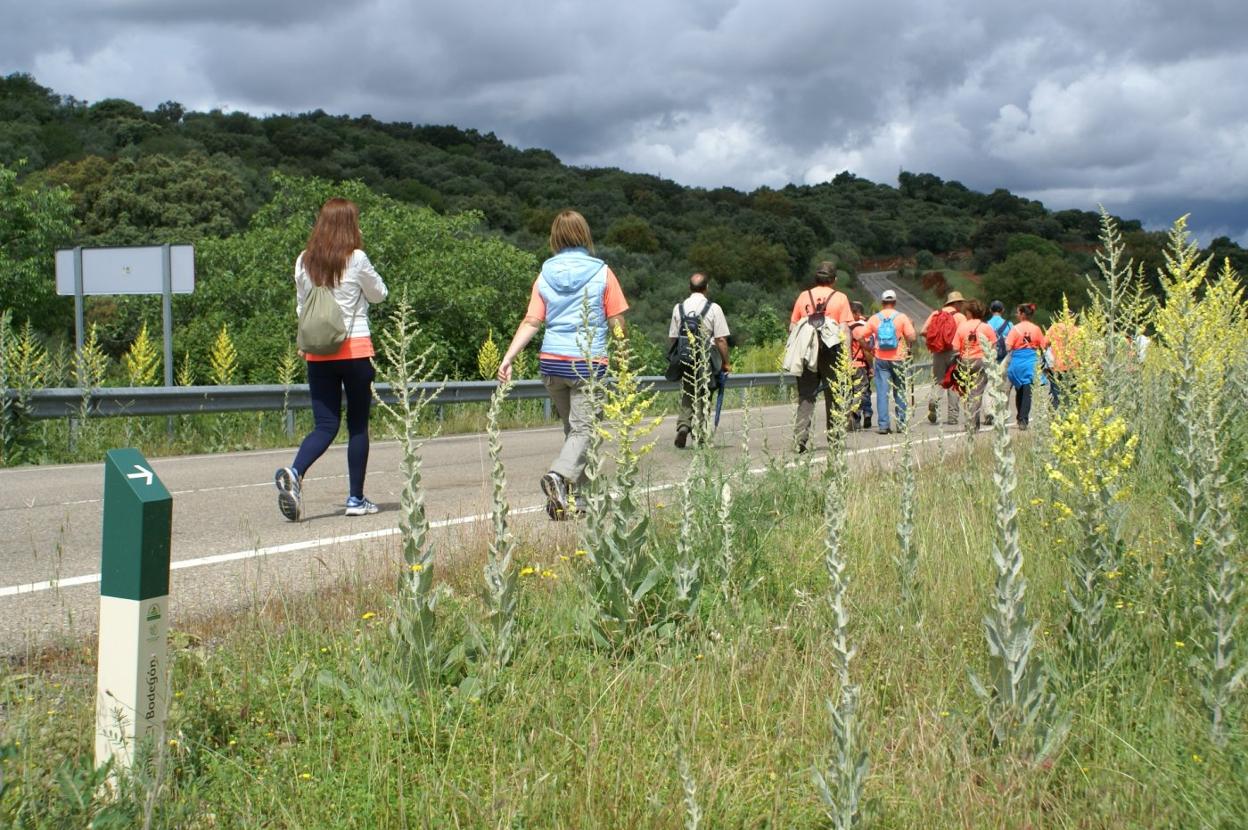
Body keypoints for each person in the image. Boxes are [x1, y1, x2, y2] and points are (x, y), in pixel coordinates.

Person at [497, 210, 628, 520]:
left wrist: (508, 356)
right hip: (587, 363)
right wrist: (623, 356)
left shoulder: (545, 274)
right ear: (584, 235)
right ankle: (558, 476)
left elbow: (532, 320)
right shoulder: (602, 272)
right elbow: (616, 320)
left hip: (552, 364)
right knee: (585, 431)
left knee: (574, 432)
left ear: (555, 237)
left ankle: (575, 501)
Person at [275, 197, 389, 521]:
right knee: (357, 426)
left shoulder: (303, 261)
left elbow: (301, 306)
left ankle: (295, 472)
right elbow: (380, 294)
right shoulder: (356, 258)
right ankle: (355, 498)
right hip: (354, 351)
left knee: (325, 424)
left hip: (318, 353)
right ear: (351, 224)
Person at [788, 259, 853, 452]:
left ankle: (800, 440)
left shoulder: (803, 296)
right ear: (834, 279)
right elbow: (845, 330)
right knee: (834, 394)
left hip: (808, 351)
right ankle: (835, 440)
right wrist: (846, 359)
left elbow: (793, 326)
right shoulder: (840, 298)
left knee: (806, 395)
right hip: (831, 351)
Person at [668, 272, 730, 448]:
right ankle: (701, 434)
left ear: (689, 288)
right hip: (706, 356)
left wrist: (676, 357)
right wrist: (726, 362)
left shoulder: (678, 308)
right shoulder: (714, 308)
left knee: (688, 392)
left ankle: (683, 426)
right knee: (705, 393)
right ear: (706, 288)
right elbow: (721, 339)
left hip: (684, 354)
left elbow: (673, 337)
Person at [861, 289, 917, 434]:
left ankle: (883, 425)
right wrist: (907, 345)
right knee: (900, 391)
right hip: (899, 358)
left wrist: (869, 347)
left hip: (880, 359)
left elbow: (861, 336)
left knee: (882, 392)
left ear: (882, 302)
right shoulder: (902, 317)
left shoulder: (874, 318)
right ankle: (902, 424)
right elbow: (912, 337)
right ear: (895, 302)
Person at [920, 291, 967, 425]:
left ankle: (933, 401)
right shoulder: (960, 317)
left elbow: (923, 331)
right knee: (954, 384)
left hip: (938, 353)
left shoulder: (936, 314)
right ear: (956, 303)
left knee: (938, 381)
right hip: (955, 353)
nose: (962, 305)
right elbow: (964, 335)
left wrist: (937, 341)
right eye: (961, 302)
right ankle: (952, 417)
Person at [950, 299, 997, 428]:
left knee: (967, 392)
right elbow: (993, 345)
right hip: (981, 361)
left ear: (970, 313)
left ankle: (970, 419)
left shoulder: (962, 327)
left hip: (965, 361)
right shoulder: (986, 327)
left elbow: (955, 347)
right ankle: (972, 422)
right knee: (977, 393)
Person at [1001, 303, 1047, 430]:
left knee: (1019, 390)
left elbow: (1008, 347)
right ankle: (1023, 419)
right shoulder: (1036, 329)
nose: (1016, 315)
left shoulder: (1014, 329)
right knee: (1028, 391)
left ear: (1022, 314)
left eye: (1017, 312)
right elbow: (1043, 346)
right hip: (1031, 361)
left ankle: (1020, 417)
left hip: (1017, 362)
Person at [846, 301, 873, 431]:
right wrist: (871, 366)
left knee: (848, 392)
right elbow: (866, 350)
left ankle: (846, 417)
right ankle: (854, 416)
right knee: (860, 392)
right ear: (856, 313)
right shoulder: (859, 328)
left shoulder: (843, 327)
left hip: (844, 365)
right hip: (858, 364)